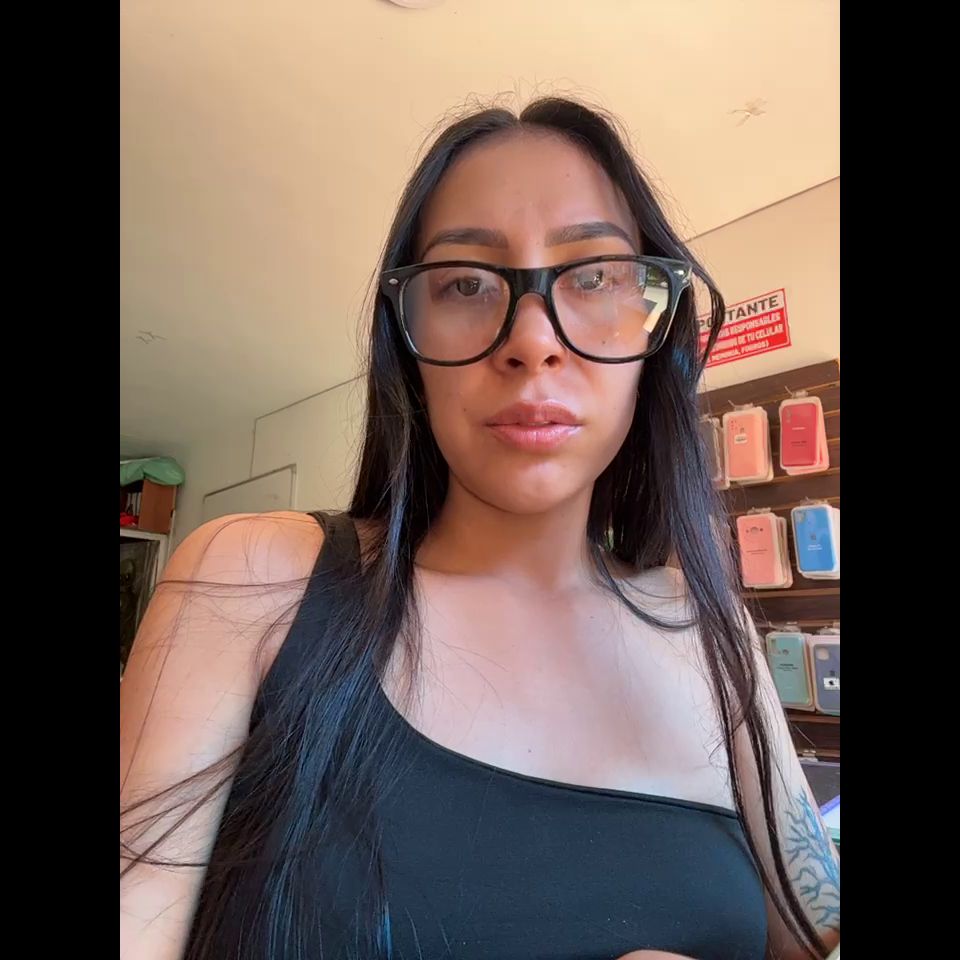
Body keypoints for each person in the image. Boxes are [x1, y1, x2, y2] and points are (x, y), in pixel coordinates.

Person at [120, 97, 840, 960]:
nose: (532, 342)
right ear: (407, 341)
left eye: (594, 276)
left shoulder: (709, 633)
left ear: (656, 327)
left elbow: (814, 932)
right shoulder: (251, 581)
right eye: (465, 283)